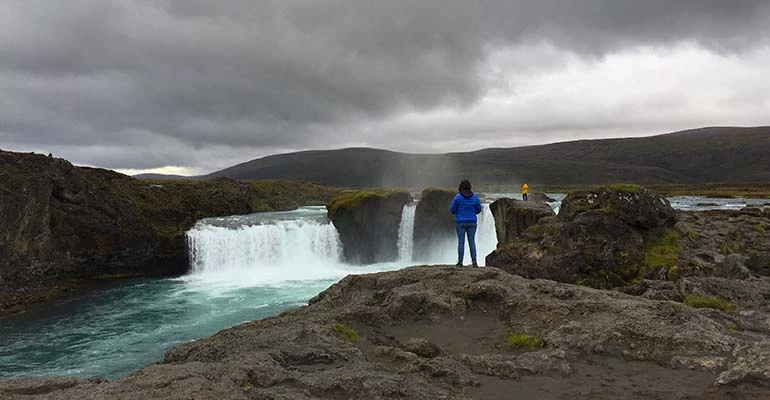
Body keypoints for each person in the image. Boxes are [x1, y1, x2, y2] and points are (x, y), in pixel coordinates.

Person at [449, 179, 482, 267]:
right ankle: (474, 262)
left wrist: (459, 212)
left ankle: (460, 262)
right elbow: (479, 210)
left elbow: (452, 210)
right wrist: (471, 212)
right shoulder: (475, 197)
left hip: (460, 222)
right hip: (472, 222)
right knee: (472, 242)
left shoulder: (457, 197)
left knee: (461, 242)